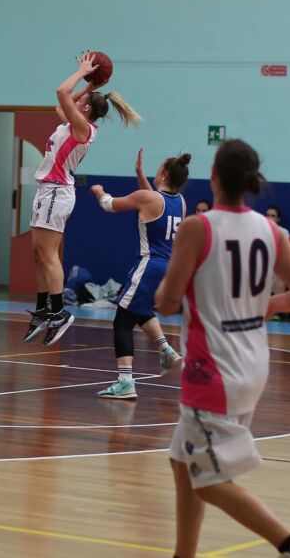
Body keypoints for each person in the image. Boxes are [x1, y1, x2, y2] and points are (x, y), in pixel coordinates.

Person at [154, 139, 290, 558]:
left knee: (208, 480)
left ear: (214, 176)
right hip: (253, 365)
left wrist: (176, 287)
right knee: (182, 460)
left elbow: (167, 303)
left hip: (213, 370)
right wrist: (265, 306)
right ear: (250, 182)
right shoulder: (272, 231)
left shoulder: (198, 228)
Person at [25, 51, 141, 346]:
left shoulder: (83, 128)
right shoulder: (72, 124)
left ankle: (59, 312)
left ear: (85, 108)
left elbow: (61, 92)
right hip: (47, 191)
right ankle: (43, 309)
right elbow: (60, 103)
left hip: (56, 191)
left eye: (81, 101)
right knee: (38, 253)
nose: (74, 101)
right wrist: (90, 86)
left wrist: (82, 72)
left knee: (49, 254)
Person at [89, 148, 187, 399]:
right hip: (168, 268)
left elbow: (109, 205)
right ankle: (166, 350)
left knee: (122, 320)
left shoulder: (149, 198)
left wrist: (99, 191)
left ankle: (125, 382)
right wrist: (140, 174)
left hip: (149, 265)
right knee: (139, 310)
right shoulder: (180, 202)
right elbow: (152, 202)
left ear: (164, 174)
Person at [265, 206, 289, 297]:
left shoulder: (284, 232)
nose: (269, 218)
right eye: (267, 215)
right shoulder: (259, 230)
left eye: (273, 216)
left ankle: (277, 304)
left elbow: (285, 255)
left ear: (278, 219)